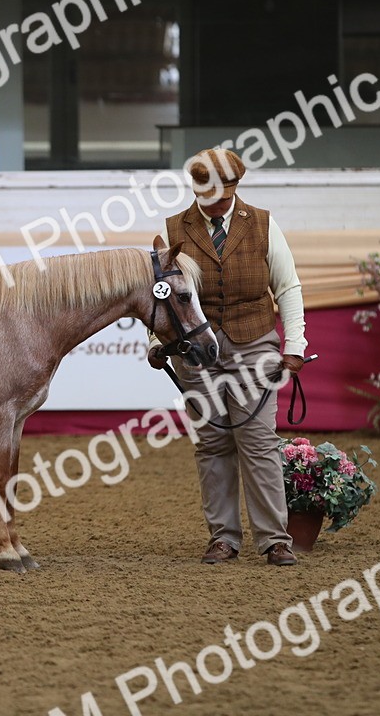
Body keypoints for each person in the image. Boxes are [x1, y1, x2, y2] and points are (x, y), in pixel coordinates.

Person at [148, 147, 307, 567]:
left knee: (258, 441)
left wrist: (295, 346)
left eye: (218, 197)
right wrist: (155, 340)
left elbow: (287, 287)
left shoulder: (263, 225)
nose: (210, 206)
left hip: (253, 343)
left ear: (235, 187)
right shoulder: (175, 227)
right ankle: (224, 538)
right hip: (197, 351)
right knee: (212, 444)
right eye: (203, 198)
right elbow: (164, 295)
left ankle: (275, 539)